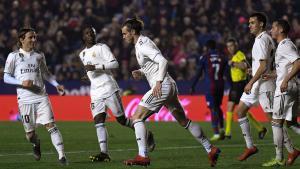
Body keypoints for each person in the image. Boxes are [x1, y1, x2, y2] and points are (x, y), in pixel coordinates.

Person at [121, 18, 221, 167]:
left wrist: (159, 83)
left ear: (133, 32)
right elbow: (153, 65)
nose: (123, 36)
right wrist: (141, 72)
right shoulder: (142, 43)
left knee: (136, 118)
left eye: (124, 33)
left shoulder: (142, 45)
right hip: (170, 86)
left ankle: (143, 156)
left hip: (162, 86)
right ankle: (210, 148)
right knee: (183, 121)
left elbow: (163, 61)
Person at [78, 26, 155, 162]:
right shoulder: (82, 54)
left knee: (122, 120)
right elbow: (91, 69)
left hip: (109, 88)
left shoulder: (102, 47)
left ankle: (147, 134)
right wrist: (88, 75)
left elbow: (115, 64)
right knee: (98, 121)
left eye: (92, 33)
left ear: (95, 35)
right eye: (87, 33)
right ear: (83, 36)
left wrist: (96, 68)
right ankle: (104, 153)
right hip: (95, 92)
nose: (90, 35)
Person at [3, 28, 67, 164]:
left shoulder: (39, 55)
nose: (34, 40)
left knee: (51, 125)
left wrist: (56, 84)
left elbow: (46, 73)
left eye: (35, 37)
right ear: (21, 39)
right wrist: (21, 82)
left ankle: (62, 156)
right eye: (30, 37)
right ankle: (36, 143)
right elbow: (6, 77)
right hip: (25, 99)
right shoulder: (13, 56)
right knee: (30, 135)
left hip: (41, 95)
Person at [236, 12, 276, 161]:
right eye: (249, 23)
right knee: (240, 111)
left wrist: (250, 81)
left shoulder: (260, 40)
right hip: (260, 81)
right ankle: (250, 146)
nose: (249, 25)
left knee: (275, 120)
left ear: (261, 24)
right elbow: (263, 64)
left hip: (261, 83)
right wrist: (253, 69)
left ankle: (289, 150)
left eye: (252, 22)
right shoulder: (266, 39)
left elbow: (264, 65)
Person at [262, 19, 300, 167]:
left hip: (285, 88)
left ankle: (279, 157)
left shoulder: (285, 45)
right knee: (290, 123)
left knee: (276, 122)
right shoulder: (283, 46)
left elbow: (298, 63)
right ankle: (292, 151)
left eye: (273, 27)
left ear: (281, 30)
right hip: (291, 87)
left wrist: (285, 80)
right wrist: (271, 75)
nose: (271, 30)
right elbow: (285, 69)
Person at [225, 38, 267, 139]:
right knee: (241, 110)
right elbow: (247, 66)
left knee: (232, 107)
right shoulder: (234, 56)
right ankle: (260, 128)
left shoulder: (239, 54)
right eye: (228, 46)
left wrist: (233, 64)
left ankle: (227, 133)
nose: (230, 48)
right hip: (236, 84)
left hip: (240, 84)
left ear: (236, 45)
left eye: (232, 46)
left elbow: (244, 65)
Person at [190, 40, 227, 141]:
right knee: (218, 106)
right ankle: (222, 129)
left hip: (210, 86)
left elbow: (198, 73)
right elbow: (226, 72)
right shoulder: (222, 57)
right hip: (221, 85)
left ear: (207, 47)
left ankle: (216, 133)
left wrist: (193, 86)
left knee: (212, 108)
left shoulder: (205, 57)